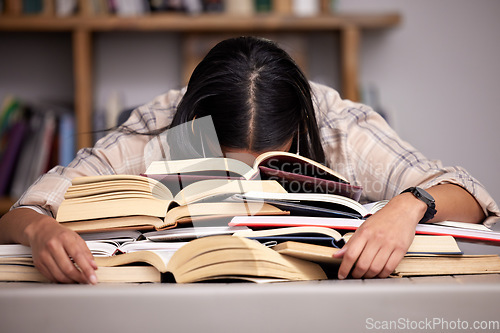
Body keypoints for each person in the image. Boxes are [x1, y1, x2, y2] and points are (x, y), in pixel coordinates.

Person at [0, 36, 498, 284]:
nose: (253, 183)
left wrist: (408, 207)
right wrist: (39, 230)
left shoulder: (338, 125)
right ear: (196, 130)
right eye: (231, 165)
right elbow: (26, 209)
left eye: (272, 163)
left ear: (300, 131)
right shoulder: (163, 126)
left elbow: (469, 195)